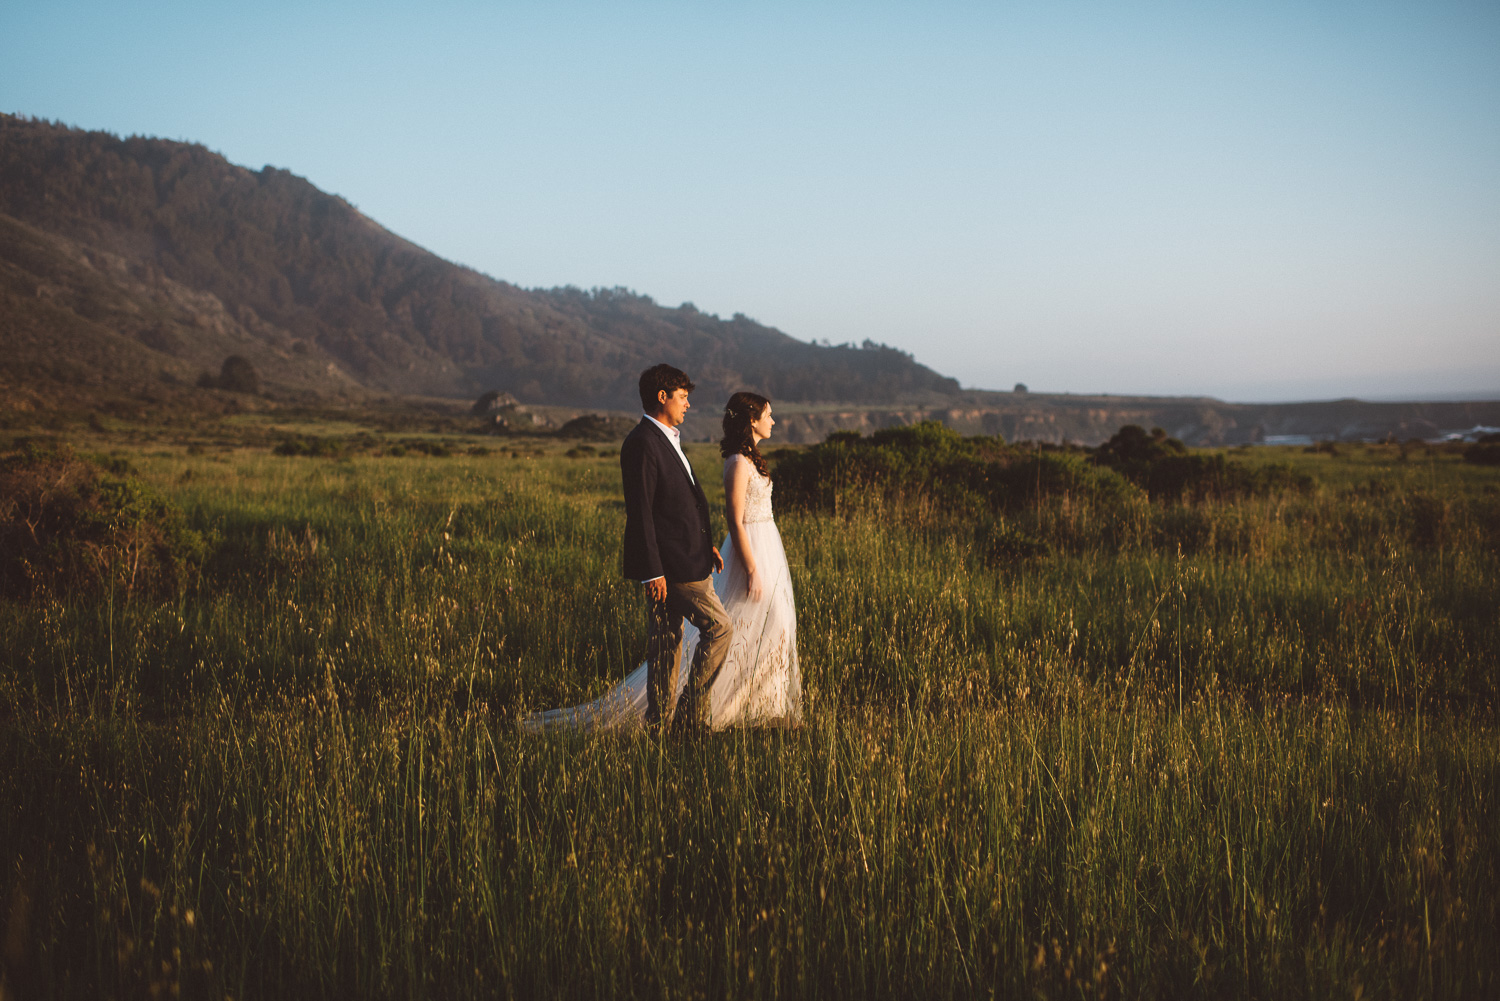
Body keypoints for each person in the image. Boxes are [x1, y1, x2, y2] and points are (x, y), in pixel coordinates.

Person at [523, 386, 802, 731]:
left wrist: (705, 545)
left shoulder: (671, 440)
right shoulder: (645, 442)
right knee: (715, 629)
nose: (689, 404)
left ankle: (665, 722)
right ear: (662, 396)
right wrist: (653, 571)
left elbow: (685, 507)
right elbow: (644, 513)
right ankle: (688, 716)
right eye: (683, 397)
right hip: (670, 564)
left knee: (670, 640)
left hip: (692, 555)